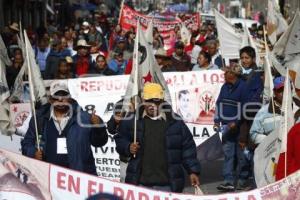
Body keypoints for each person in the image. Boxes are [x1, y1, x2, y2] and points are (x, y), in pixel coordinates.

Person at [115, 83, 200, 192]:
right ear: (142, 101)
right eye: (148, 101)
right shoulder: (133, 120)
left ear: (162, 101)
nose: (152, 105)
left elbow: (188, 147)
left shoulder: (175, 121)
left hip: (168, 186)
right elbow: (120, 139)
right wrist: (128, 147)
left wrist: (193, 171)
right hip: (140, 185)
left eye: (156, 101)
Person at [21, 80, 108, 175]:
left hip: (78, 178)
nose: (60, 99)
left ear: (70, 98)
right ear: (50, 99)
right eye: (56, 96)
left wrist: (99, 127)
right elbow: (26, 143)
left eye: (64, 96)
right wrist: (33, 153)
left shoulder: (84, 118)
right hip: (48, 178)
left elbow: (99, 142)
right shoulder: (39, 118)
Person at [214, 64, 249, 192]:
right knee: (228, 154)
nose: (224, 74)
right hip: (226, 128)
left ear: (233, 75)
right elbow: (218, 104)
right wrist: (217, 121)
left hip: (240, 128)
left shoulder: (243, 87)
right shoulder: (224, 87)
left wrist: (236, 122)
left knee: (241, 156)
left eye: (227, 72)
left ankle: (242, 180)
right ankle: (228, 181)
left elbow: (246, 107)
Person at [250, 76, 285, 145]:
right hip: (275, 153)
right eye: (280, 90)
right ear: (274, 91)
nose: (283, 93)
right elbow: (253, 134)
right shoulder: (263, 112)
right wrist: (270, 141)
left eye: (286, 89)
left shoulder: (297, 108)